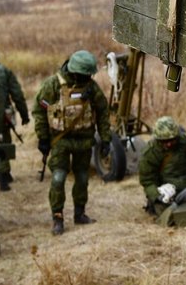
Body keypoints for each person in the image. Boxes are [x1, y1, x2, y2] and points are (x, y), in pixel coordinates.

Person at [33, 50, 111, 235]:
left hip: (84, 141)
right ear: (75, 71)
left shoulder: (91, 88)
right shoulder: (53, 85)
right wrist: (43, 138)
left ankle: (79, 213)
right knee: (59, 178)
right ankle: (57, 217)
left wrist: (106, 139)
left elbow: (103, 113)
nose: (88, 77)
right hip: (60, 140)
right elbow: (39, 111)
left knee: (82, 178)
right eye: (85, 74)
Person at [138, 116, 186, 215]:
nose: (169, 144)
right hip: (166, 193)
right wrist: (158, 196)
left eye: (172, 140)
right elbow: (147, 180)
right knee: (167, 213)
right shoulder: (150, 153)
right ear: (157, 139)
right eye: (164, 141)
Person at [0, 46, 30, 192]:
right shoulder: (4, 71)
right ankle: (4, 174)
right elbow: (17, 94)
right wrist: (24, 115)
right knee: (4, 140)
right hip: (2, 113)